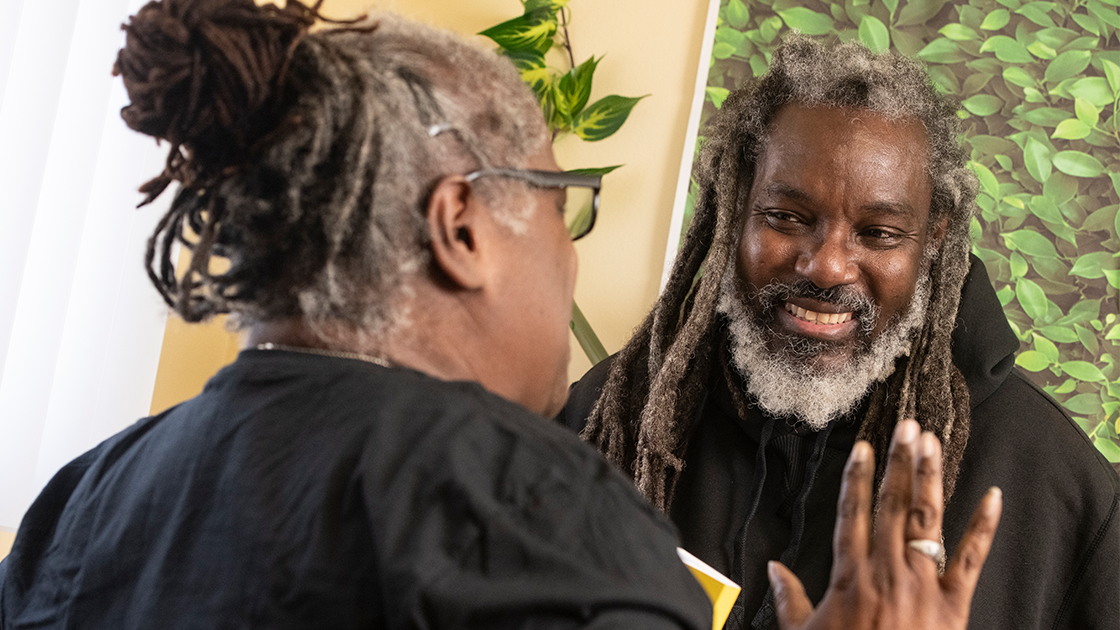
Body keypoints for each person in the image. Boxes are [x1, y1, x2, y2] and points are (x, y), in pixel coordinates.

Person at [0, 2, 999, 628]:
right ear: (462, 227)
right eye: (563, 211)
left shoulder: (84, 502)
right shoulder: (530, 511)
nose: (572, 261)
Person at [559, 34, 1120, 630]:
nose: (826, 265)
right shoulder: (611, 417)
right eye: (786, 218)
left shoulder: (1053, 483)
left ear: (932, 240)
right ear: (734, 208)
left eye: (878, 233)